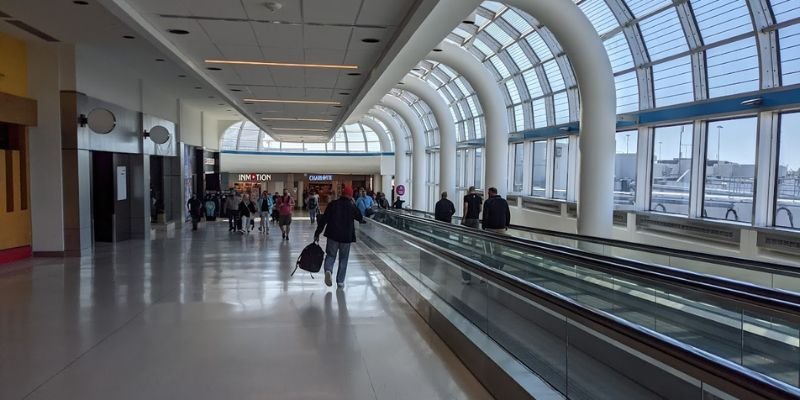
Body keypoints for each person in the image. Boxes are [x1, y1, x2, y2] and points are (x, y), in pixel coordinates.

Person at [314, 186, 365, 289]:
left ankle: (328, 270)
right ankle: (340, 281)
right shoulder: (352, 206)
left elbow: (324, 220)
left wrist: (317, 233)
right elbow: (360, 218)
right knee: (343, 259)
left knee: (331, 255)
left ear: (342, 194)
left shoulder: (333, 204)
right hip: (346, 238)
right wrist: (354, 204)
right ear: (351, 196)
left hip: (332, 235)